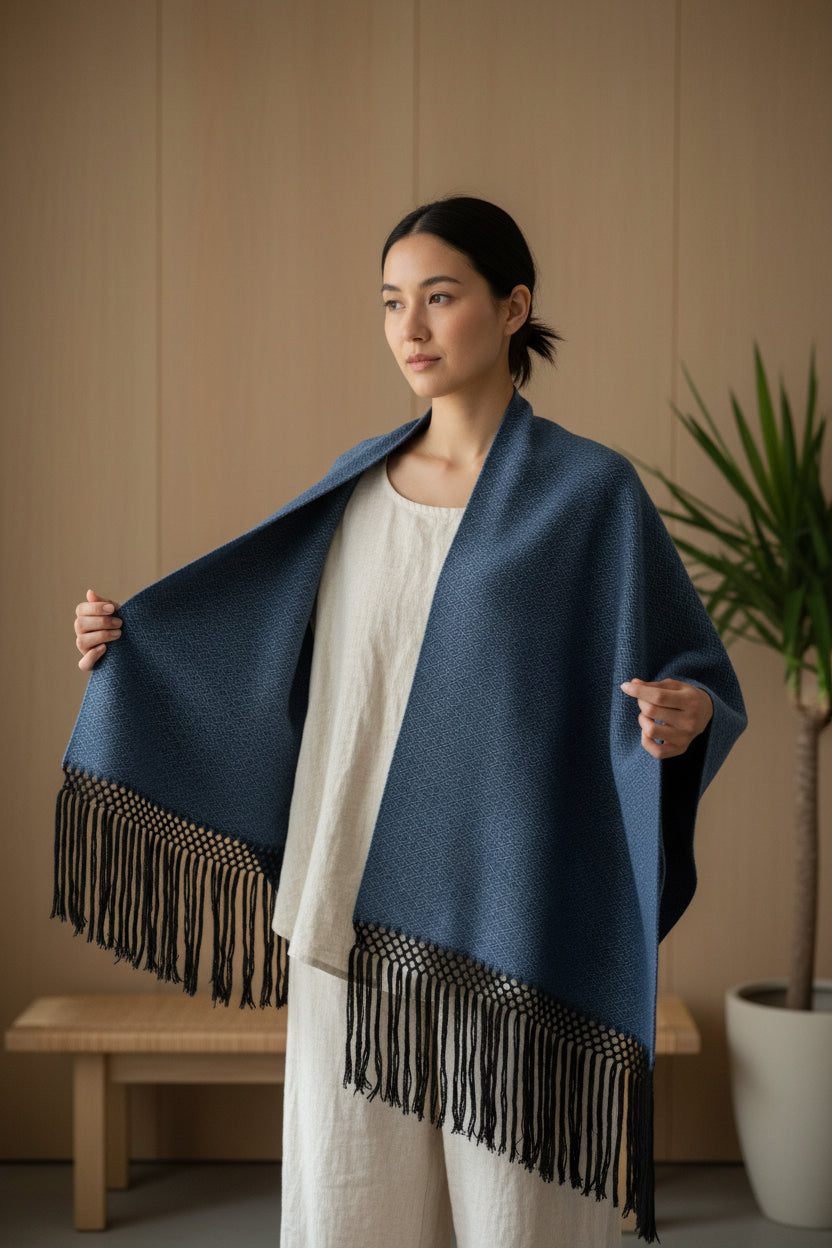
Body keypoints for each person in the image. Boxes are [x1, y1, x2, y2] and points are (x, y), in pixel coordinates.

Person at [67, 197, 745, 1247]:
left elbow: (686, 673)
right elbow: (263, 659)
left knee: (517, 1221)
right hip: (344, 914)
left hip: (512, 920)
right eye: (391, 303)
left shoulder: (587, 496)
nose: (411, 329)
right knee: (350, 1216)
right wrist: (132, 651)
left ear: (513, 307)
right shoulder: (355, 493)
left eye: (440, 297)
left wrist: (684, 714)